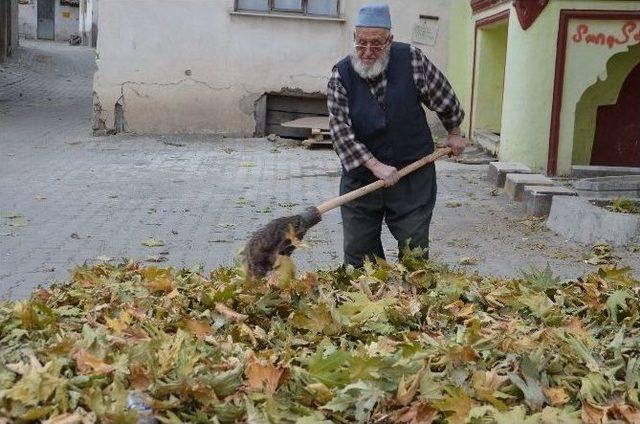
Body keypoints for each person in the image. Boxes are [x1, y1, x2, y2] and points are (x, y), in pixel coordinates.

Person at [327, 3, 468, 268]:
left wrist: (454, 132)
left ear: (390, 41)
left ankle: (413, 301)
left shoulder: (412, 59)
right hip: (362, 178)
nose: (367, 52)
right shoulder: (340, 75)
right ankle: (369, 303)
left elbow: (444, 98)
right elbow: (341, 133)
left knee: (414, 248)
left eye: (377, 44)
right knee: (360, 257)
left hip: (412, 173)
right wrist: (376, 166)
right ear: (354, 38)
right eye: (361, 43)